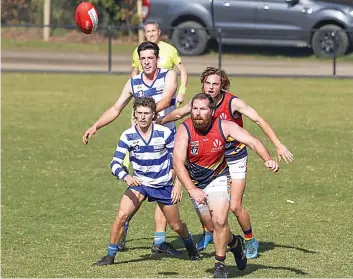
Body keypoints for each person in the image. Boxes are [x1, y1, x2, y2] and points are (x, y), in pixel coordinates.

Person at [161, 67, 293, 258]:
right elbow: (179, 114)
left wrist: (277, 146)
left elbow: (258, 120)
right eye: (207, 83)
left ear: (222, 84)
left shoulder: (233, 103)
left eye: (215, 84)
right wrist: (156, 121)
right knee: (205, 203)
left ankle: (249, 239)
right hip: (211, 158)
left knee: (235, 206)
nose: (211, 87)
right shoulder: (199, 103)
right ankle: (209, 231)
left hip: (235, 157)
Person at [83, 41, 183, 255]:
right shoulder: (133, 83)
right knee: (134, 184)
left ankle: (159, 241)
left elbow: (166, 99)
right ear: (139, 60)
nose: (147, 62)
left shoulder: (168, 76)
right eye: (143, 59)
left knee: (163, 189)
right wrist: (96, 126)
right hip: (138, 142)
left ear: (157, 59)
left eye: (150, 58)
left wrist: (147, 111)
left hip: (165, 141)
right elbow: (116, 108)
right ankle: (124, 227)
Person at [173, 93, 280, 278]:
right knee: (215, 227)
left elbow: (253, 141)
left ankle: (219, 264)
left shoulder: (224, 126)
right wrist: (191, 189)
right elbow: (177, 162)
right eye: (195, 109)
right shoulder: (185, 129)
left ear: (212, 111)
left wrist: (267, 159)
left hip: (218, 178)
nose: (197, 113)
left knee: (221, 220)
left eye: (203, 109)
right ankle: (236, 245)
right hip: (195, 183)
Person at [93, 97, 200, 266]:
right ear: (134, 114)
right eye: (139, 113)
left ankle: (190, 246)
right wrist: (126, 176)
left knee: (176, 225)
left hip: (163, 184)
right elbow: (115, 163)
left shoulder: (164, 133)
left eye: (146, 113)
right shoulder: (127, 135)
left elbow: (179, 161)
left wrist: (178, 185)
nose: (142, 117)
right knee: (121, 216)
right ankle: (110, 255)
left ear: (153, 115)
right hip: (140, 183)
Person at [131, 21, 188, 105]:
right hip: (144, 97)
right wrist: (135, 91)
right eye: (148, 31)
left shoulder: (170, 49)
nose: (151, 34)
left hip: (165, 97)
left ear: (159, 32)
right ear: (145, 34)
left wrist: (181, 92)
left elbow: (183, 71)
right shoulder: (138, 50)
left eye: (153, 31)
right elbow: (134, 72)